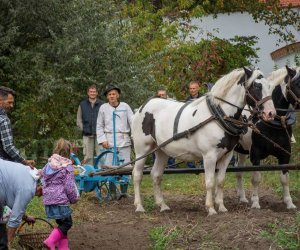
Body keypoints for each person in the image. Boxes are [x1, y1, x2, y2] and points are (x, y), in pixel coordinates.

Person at [96, 84, 133, 198]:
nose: (112, 96)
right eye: (109, 94)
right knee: (110, 167)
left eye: (114, 94)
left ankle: (123, 192)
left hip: (124, 140)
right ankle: (112, 192)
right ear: (107, 97)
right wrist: (102, 140)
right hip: (109, 141)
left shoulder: (125, 106)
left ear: (118, 95)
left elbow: (132, 122)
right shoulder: (103, 108)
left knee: (125, 166)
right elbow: (99, 125)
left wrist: (135, 137)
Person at [41, 138, 78, 250]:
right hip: (60, 201)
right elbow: (69, 187)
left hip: (49, 201)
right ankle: (50, 241)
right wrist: (74, 199)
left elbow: (43, 178)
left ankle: (63, 248)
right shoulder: (67, 166)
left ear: (56, 149)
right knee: (67, 223)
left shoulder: (49, 164)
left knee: (62, 225)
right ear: (68, 152)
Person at [0, 159, 43, 249]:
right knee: (2, 237)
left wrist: (25, 217)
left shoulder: (31, 173)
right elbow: (15, 218)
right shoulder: (28, 188)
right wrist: (8, 243)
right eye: (42, 193)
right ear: (42, 186)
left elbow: (14, 205)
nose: (40, 197)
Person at [0, 86, 35, 168]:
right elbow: (8, 147)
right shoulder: (3, 120)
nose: (12, 106)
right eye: (9, 102)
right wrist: (24, 161)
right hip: (3, 166)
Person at [77, 85, 104, 165]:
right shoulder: (82, 104)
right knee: (87, 156)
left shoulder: (102, 104)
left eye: (94, 92)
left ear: (97, 93)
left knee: (101, 155)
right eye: (91, 92)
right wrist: (83, 129)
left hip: (100, 135)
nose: (92, 93)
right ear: (88, 93)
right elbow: (79, 119)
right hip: (87, 134)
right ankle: (89, 174)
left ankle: (102, 174)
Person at [155, 88, 176, 168]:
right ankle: (159, 167)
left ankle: (171, 166)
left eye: (163, 95)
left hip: (170, 129)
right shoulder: (154, 105)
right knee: (157, 149)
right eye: (159, 95)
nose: (161, 97)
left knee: (170, 146)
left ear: (166, 95)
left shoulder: (172, 103)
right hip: (158, 130)